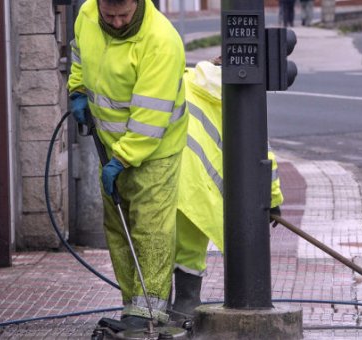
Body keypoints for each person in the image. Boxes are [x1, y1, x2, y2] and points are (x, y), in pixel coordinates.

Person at [67, 0, 188, 329]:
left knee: (151, 231)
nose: (117, 23)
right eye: (110, 15)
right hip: (109, 145)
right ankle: (131, 305)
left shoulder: (161, 41)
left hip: (155, 151)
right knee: (118, 230)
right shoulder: (88, 14)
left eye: (124, 15)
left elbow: (150, 120)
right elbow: (80, 53)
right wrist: (77, 89)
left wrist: (121, 160)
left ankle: (150, 311)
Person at [171, 59, 284, 319]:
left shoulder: (184, 79)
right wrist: (272, 199)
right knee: (189, 253)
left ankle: (155, 311)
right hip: (198, 192)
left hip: (163, 178)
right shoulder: (241, 98)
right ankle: (185, 309)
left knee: (158, 247)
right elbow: (262, 156)